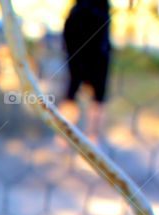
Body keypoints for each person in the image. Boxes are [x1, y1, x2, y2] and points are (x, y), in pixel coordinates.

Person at [61, 0, 111, 142]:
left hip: (97, 26)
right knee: (73, 85)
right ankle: (65, 136)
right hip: (80, 23)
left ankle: (92, 139)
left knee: (97, 91)